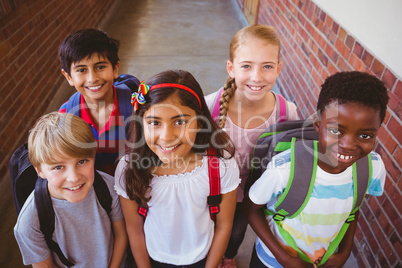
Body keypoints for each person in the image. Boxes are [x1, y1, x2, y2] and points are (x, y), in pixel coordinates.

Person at [243, 71, 389, 268]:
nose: (348, 145)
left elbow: (351, 209)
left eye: (364, 136)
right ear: (318, 125)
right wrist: (284, 258)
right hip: (272, 261)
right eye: (336, 131)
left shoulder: (372, 168)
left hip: (325, 260)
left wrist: (344, 253)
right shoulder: (285, 169)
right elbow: (251, 209)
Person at [114, 69, 240, 268]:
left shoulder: (221, 165)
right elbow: (134, 229)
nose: (167, 136)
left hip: (204, 259)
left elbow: (224, 226)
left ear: (200, 123)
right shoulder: (129, 169)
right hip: (153, 259)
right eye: (154, 122)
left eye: (180, 121)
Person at [204, 24, 298, 267]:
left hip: (253, 194)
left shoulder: (287, 113)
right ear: (231, 68)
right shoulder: (209, 106)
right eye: (246, 66)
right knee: (207, 230)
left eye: (267, 66)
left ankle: (228, 256)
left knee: (236, 232)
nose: (257, 76)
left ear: (278, 69)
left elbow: (290, 160)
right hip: (211, 190)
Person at [14, 112, 127, 267]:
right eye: (58, 167)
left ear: (93, 157)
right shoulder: (30, 221)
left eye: (82, 161)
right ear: (40, 170)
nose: (73, 178)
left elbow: (121, 235)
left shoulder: (109, 187)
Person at [58, 28, 135, 175]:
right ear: (68, 77)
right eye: (81, 70)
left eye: (100, 67)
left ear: (115, 68)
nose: (92, 78)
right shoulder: (65, 115)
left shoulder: (137, 105)